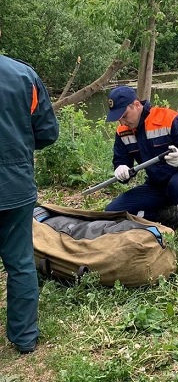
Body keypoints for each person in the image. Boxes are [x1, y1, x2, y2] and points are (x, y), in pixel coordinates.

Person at [0, 51, 60, 354]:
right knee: (21, 263)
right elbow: (48, 133)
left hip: (14, 182)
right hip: (14, 184)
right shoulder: (23, 75)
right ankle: (24, 339)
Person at [104, 86, 178, 254]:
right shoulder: (122, 131)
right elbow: (122, 161)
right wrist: (121, 169)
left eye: (124, 116)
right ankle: (173, 214)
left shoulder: (169, 118)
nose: (122, 122)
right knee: (113, 211)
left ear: (136, 105)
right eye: (118, 118)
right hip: (156, 185)